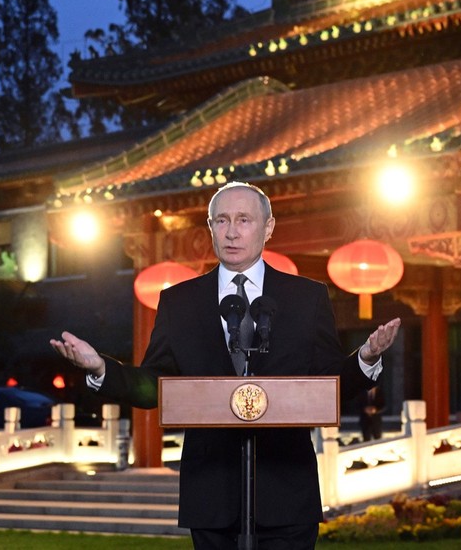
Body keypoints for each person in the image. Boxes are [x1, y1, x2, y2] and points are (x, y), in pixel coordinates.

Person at [51, 181, 401, 550]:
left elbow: (328, 385)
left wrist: (365, 359)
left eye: (244, 220)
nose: (231, 231)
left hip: (286, 488)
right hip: (211, 492)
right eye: (221, 220)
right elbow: (155, 385)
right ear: (210, 228)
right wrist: (100, 368)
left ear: (268, 228)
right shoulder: (179, 302)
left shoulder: (306, 298)